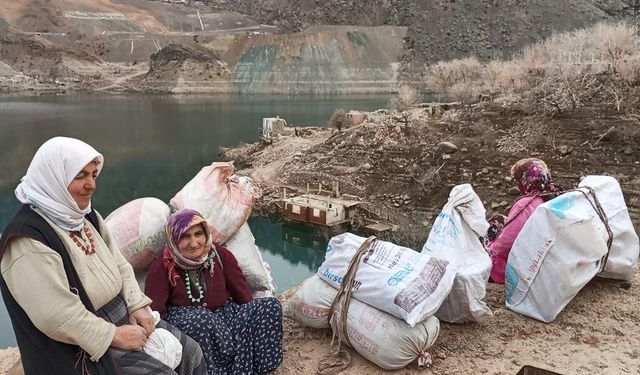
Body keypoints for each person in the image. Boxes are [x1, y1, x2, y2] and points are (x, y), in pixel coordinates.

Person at [0, 137, 207, 375]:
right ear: (54, 178)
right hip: (78, 342)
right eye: (80, 176)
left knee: (191, 353)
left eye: (94, 175)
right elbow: (55, 315)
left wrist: (137, 305)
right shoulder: (28, 239)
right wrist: (113, 336)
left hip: (120, 316)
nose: (91, 185)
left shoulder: (85, 216)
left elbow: (119, 264)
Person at [145, 208, 283, 375]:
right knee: (203, 321)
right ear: (173, 239)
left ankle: (262, 368)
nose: (194, 242)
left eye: (198, 234)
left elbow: (240, 290)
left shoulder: (219, 255)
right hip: (189, 321)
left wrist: (252, 318)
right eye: (185, 236)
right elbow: (156, 312)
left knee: (269, 306)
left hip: (225, 314)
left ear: (206, 234)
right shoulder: (161, 267)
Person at [485, 158, 563, 284]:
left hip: (528, 263)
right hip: (547, 252)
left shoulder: (527, 203)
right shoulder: (555, 195)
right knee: (499, 219)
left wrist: (489, 249)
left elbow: (505, 244)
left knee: (481, 250)